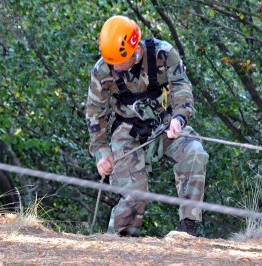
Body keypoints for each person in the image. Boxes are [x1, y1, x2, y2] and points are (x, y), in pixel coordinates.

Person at [86, 15, 209, 237]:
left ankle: (188, 227)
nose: (116, 68)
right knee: (135, 193)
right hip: (126, 131)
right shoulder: (103, 70)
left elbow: (182, 88)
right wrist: (101, 152)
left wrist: (179, 118)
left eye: (120, 61)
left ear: (135, 49)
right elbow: (95, 113)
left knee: (195, 153)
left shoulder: (163, 54)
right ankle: (118, 238)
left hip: (163, 125)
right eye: (112, 62)